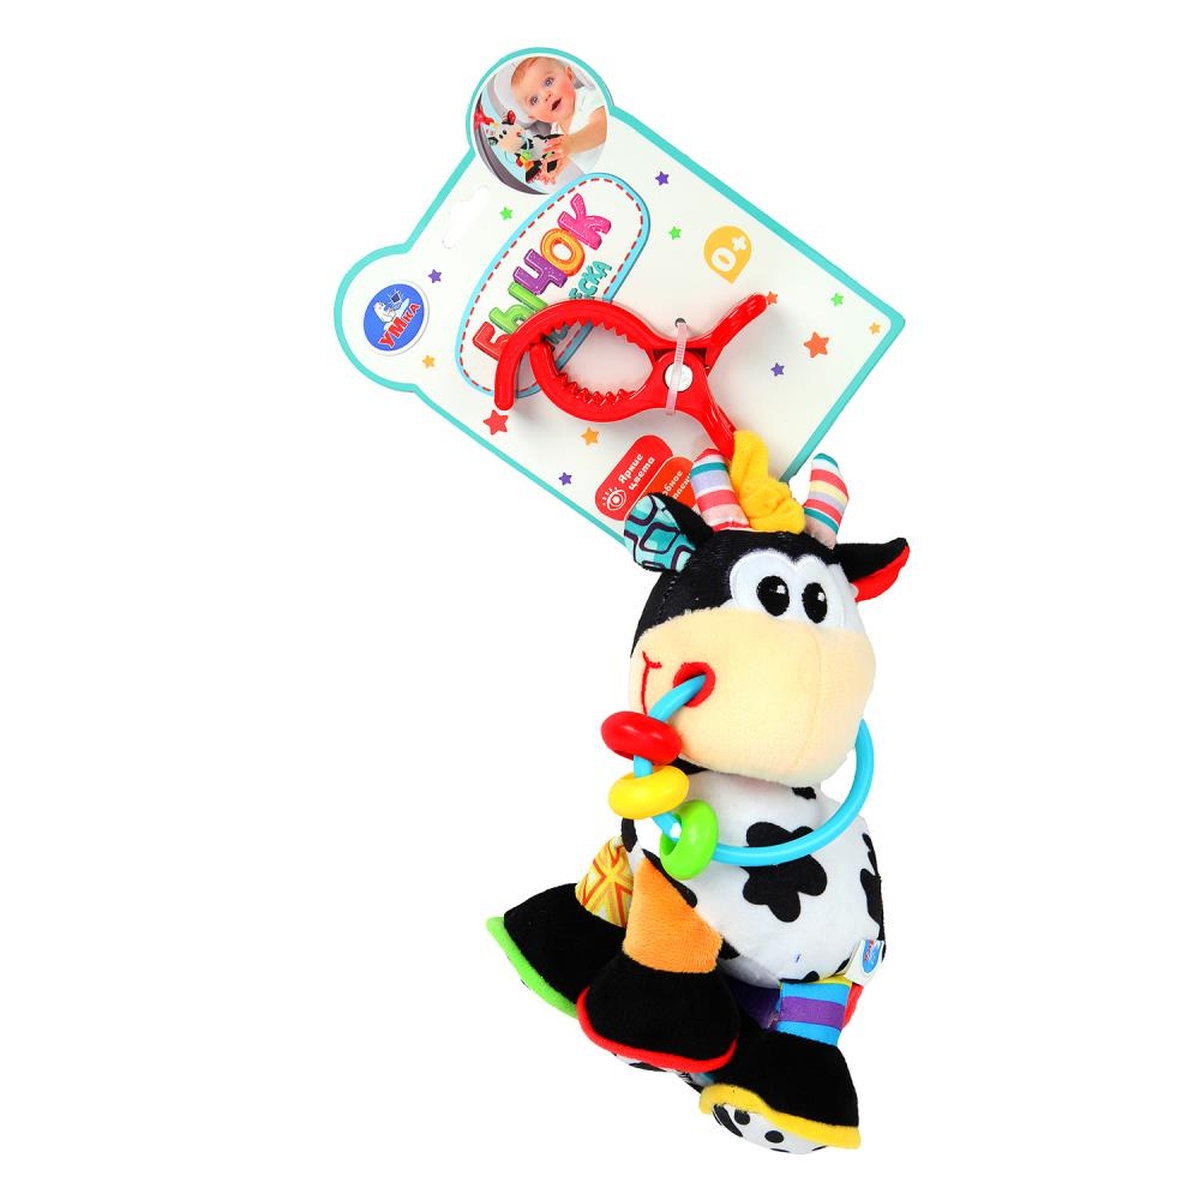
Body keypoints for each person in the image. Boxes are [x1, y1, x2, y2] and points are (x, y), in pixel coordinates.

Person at [509, 56, 607, 183]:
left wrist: (570, 144)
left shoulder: (587, 97)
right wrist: (557, 166)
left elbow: (603, 127)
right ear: (533, 116)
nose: (546, 95)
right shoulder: (555, 132)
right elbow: (573, 153)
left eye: (548, 82)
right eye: (534, 100)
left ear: (569, 75)